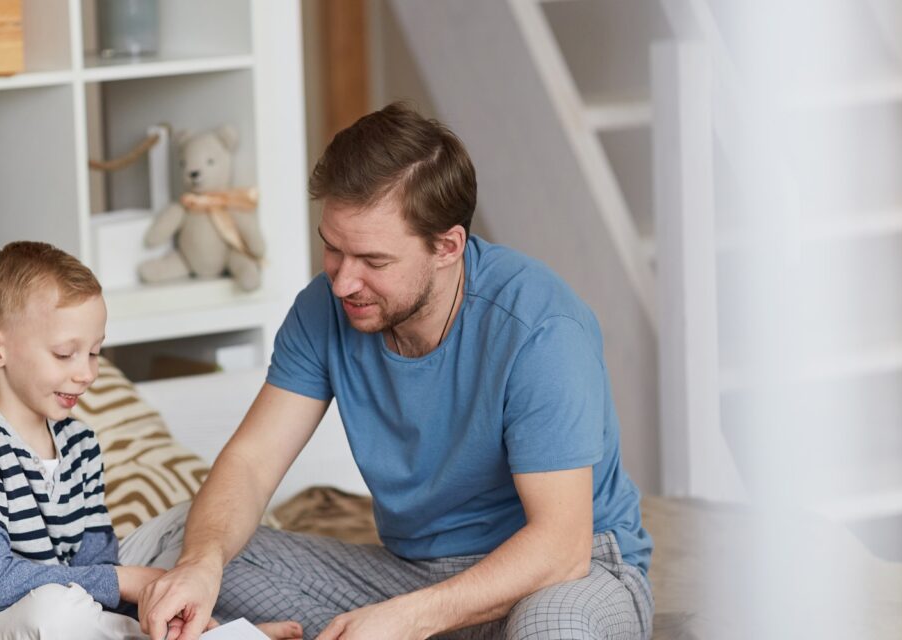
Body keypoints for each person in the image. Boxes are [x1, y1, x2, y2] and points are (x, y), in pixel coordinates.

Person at [138, 103, 654, 640]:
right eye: (332, 249)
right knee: (185, 550)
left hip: (567, 573)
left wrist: (410, 619)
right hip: (411, 575)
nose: (343, 283)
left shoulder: (542, 328)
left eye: (373, 261)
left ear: (447, 247)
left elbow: (560, 545)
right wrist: (201, 563)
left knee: (554, 628)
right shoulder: (323, 308)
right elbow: (250, 463)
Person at [0, 242, 302, 640]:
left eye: (94, 353)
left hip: (61, 600)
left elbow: (96, 564)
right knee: (54, 612)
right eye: (65, 354)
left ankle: (183, 628)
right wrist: (124, 581)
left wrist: (144, 590)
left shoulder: (80, 442)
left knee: (190, 525)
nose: (87, 374)